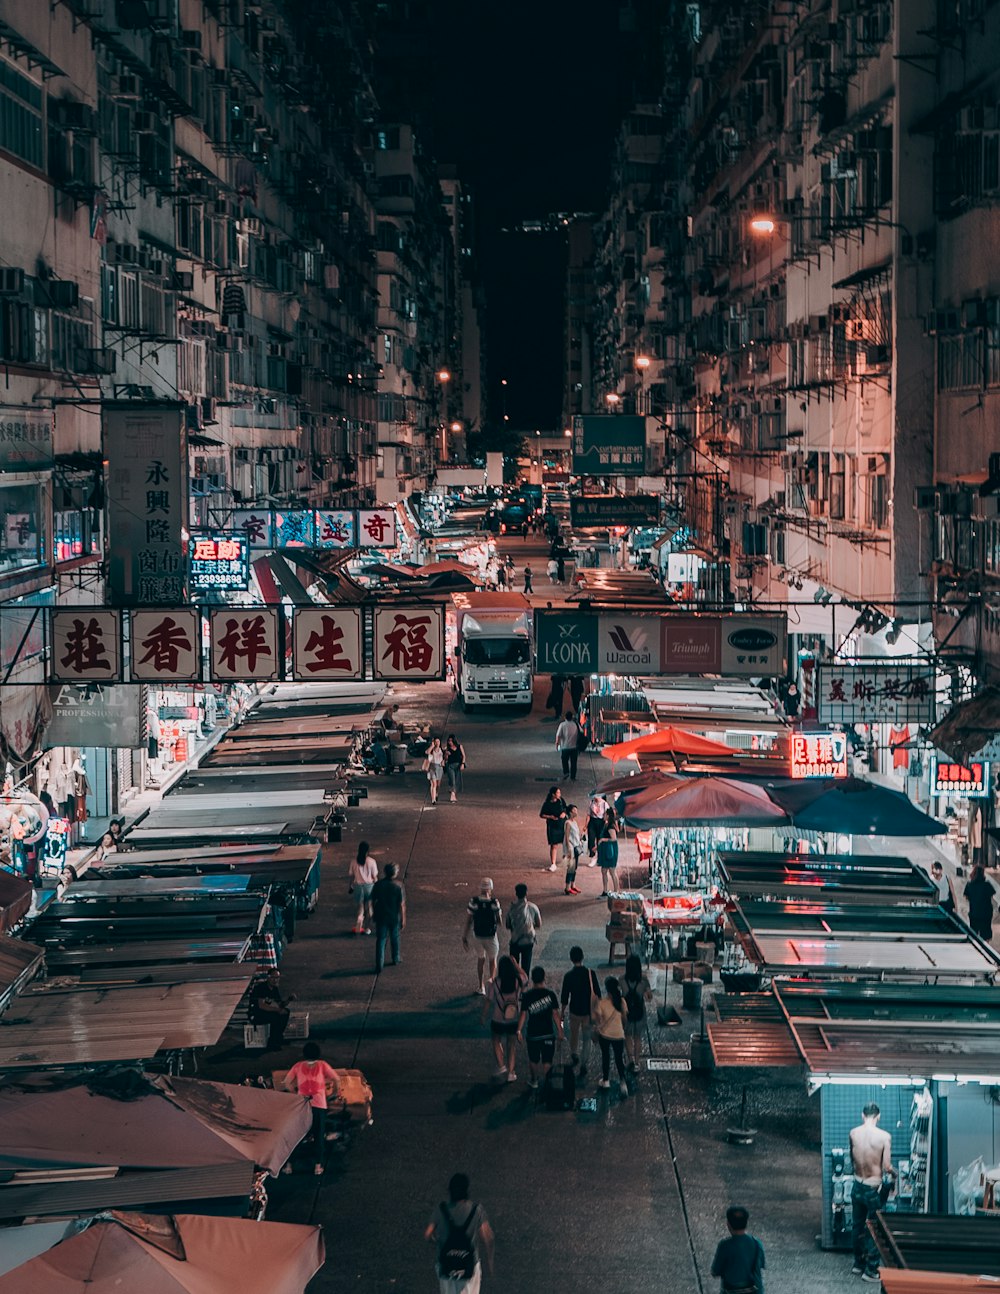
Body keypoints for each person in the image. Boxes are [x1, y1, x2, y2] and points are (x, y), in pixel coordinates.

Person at [424, 1172, 494, 1294]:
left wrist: (438, 1242)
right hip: (468, 1264)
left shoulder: (441, 1209)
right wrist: (490, 1262)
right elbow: (488, 1237)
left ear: (450, 1190)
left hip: (446, 1263)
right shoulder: (476, 1210)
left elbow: (427, 1234)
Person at [849, 1102, 894, 1282]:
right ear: (878, 1116)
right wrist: (894, 1173)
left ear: (862, 1115)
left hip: (857, 1184)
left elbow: (852, 1158)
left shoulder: (853, 1133)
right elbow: (887, 1166)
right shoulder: (884, 1137)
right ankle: (871, 1270)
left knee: (857, 1225)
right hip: (873, 1188)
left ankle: (858, 1264)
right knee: (873, 1228)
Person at [282, 1041, 340, 1175]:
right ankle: (318, 1166)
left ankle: (289, 1165)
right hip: (319, 1105)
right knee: (318, 1136)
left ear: (304, 1054)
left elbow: (286, 1083)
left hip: (302, 1105)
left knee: (296, 1136)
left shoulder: (298, 1066)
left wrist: (295, 1094)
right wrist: (333, 1094)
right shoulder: (322, 1065)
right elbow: (336, 1080)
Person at [516, 965, 564, 1090]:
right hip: (548, 1033)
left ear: (532, 979)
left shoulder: (527, 996)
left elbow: (523, 1014)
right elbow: (555, 1015)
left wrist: (519, 1030)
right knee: (547, 1060)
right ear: (544, 978)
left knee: (533, 1059)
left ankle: (534, 1080)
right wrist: (560, 1031)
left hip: (533, 1034)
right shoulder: (551, 995)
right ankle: (548, 1082)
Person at [481, 954, 527, 1082]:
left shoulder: (495, 983)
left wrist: (483, 1016)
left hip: (497, 1019)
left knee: (496, 1040)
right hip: (513, 1020)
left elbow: (488, 1001)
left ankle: (501, 1065)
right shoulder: (518, 981)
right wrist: (517, 965)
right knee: (511, 1045)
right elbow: (525, 977)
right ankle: (511, 1073)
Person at [560, 946, 600, 1077]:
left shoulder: (569, 976)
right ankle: (584, 1064)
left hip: (574, 1011)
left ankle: (574, 1054)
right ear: (583, 957)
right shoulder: (590, 973)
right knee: (587, 1038)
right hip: (588, 1012)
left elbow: (564, 997)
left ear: (571, 959)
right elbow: (598, 994)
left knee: (574, 1034)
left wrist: (562, 1013)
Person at [710, 1205, 766, 1294]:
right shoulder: (756, 1243)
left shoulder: (725, 1245)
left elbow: (715, 1271)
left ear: (728, 1224)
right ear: (746, 1223)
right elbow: (761, 1265)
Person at [463, 877, 502, 995]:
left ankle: (481, 986)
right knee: (492, 960)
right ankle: (492, 985)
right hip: (491, 936)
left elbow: (469, 920)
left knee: (481, 959)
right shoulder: (494, 902)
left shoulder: (473, 901)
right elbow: (499, 921)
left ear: (480, 889)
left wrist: (464, 936)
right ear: (490, 889)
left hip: (477, 935)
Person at [592, 975, 629, 1096]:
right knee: (619, 1059)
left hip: (605, 1035)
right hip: (619, 1035)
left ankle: (606, 1080)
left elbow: (596, 1020)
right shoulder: (622, 1001)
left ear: (607, 989)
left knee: (606, 1057)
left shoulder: (602, 1003)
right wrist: (622, 1029)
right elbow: (624, 1019)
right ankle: (623, 1082)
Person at [371, 862, 406, 972]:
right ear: (395, 873)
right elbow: (401, 905)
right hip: (393, 917)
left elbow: (373, 900)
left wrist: (373, 912)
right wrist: (403, 919)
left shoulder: (378, 884)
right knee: (394, 937)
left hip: (381, 916)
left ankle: (379, 963)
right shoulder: (399, 886)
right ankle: (395, 958)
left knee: (381, 940)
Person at [248, 969, 294, 1051]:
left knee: (285, 1012)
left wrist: (289, 1000)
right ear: (268, 977)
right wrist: (277, 1010)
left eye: (277, 978)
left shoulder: (274, 989)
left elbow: (280, 1005)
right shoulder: (261, 988)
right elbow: (261, 1005)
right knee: (276, 1016)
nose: (275, 980)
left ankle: (278, 1037)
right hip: (257, 1013)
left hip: (267, 1011)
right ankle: (272, 1041)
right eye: (273, 977)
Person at [622, 953, 653, 1070]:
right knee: (638, 1037)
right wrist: (645, 993)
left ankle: (630, 1060)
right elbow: (649, 998)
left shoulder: (622, 980)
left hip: (626, 1013)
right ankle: (637, 1062)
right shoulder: (644, 980)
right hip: (640, 1012)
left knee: (628, 1036)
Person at [506, 882, 541, 971]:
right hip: (528, 940)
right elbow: (539, 924)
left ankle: (515, 983)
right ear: (526, 893)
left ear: (516, 894)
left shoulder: (511, 908)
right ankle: (524, 983)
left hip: (515, 941)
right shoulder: (533, 907)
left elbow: (508, 925)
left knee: (514, 967)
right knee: (526, 966)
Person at [349, 840, 378, 935]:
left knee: (360, 906)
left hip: (358, 886)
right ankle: (367, 928)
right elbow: (375, 877)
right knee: (369, 906)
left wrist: (350, 886)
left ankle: (359, 919)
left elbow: (351, 876)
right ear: (367, 851)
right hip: (369, 887)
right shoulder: (372, 862)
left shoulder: (353, 862)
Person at [964, 863, 996, 940]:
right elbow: (991, 896)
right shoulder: (987, 885)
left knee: (973, 933)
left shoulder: (969, 885)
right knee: (986, 934)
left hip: (974, 912)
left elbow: (966, 897)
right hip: (986, 913)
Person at [539, 786, 568, 871]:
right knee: (554, 844)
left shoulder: (561, 800)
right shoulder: (547, 804)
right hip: (552, 826)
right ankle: (553, 863)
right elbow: (541, 814)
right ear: (553, 794)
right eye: (558, 793)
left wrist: (564, 813)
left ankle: (566, 858)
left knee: (565, 842)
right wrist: (550, 816)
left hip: (562, 824)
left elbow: (566, 808)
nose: (559, 794)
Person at [597, 807, 620, 896]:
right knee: (604, 871)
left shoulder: (611, 826)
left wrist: (603, 839)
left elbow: (614, 839)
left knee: (612, 871)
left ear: (608, 815)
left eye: (604, 814)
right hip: (606, 850)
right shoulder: (607, 824)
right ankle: (605, 890)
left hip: (610, 851)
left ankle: (616, 891)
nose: (603, 816)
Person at [555, 710, 581, 781]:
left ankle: (566, 773)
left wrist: (557, 744)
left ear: (565, 717)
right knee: (573, 763)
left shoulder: (562, 725)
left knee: (564, 761)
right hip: (574, 747)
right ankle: (573, 776)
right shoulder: (576, 724)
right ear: (572, 717)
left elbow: (558, 736)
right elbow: (581, 733)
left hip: (565, 747)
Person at [563, 804, 583, 894]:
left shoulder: (574, 822)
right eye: (574, 810)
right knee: (570, 868)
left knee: (574, 868)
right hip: (571, 848)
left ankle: (573, 885)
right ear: (570, 812)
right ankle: (567, 887)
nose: (576, 812)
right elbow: (566, 837)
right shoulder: (568, 823)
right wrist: (569, 850)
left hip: (576, 847)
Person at [423, 737, 445, 806]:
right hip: (432, 767)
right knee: (433, 784)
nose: (437, 743)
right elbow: (427, 752)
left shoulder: (442, 750)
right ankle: (433, 799)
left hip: (439, 767)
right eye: (436, 741)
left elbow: (444, 757)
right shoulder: (431, 750)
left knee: (438, 784)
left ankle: (436, 794)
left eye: (438, 741)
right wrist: (432, 746)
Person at [445, 734, 466, 803]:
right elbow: (445, 759)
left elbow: (463, 756)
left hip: (458, 765)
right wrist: (446, 754)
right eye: (449, 741)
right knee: (452, 780)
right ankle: (452, 795)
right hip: (450, 766)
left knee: (457, 780)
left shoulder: (459, 746)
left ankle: (454, 794)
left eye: (451, 741)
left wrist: (462, 764)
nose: (450, 742)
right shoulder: (447, 749)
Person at [587, 792, 608, 859]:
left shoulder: (604, 804)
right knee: (591, 838)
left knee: (600, 839)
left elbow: (607, 814)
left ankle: (600, 856)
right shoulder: (592, 803)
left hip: (601, 822)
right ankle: (592, 855)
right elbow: (588, 814)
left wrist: (606, 822)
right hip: (592, 821)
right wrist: (585, 825)